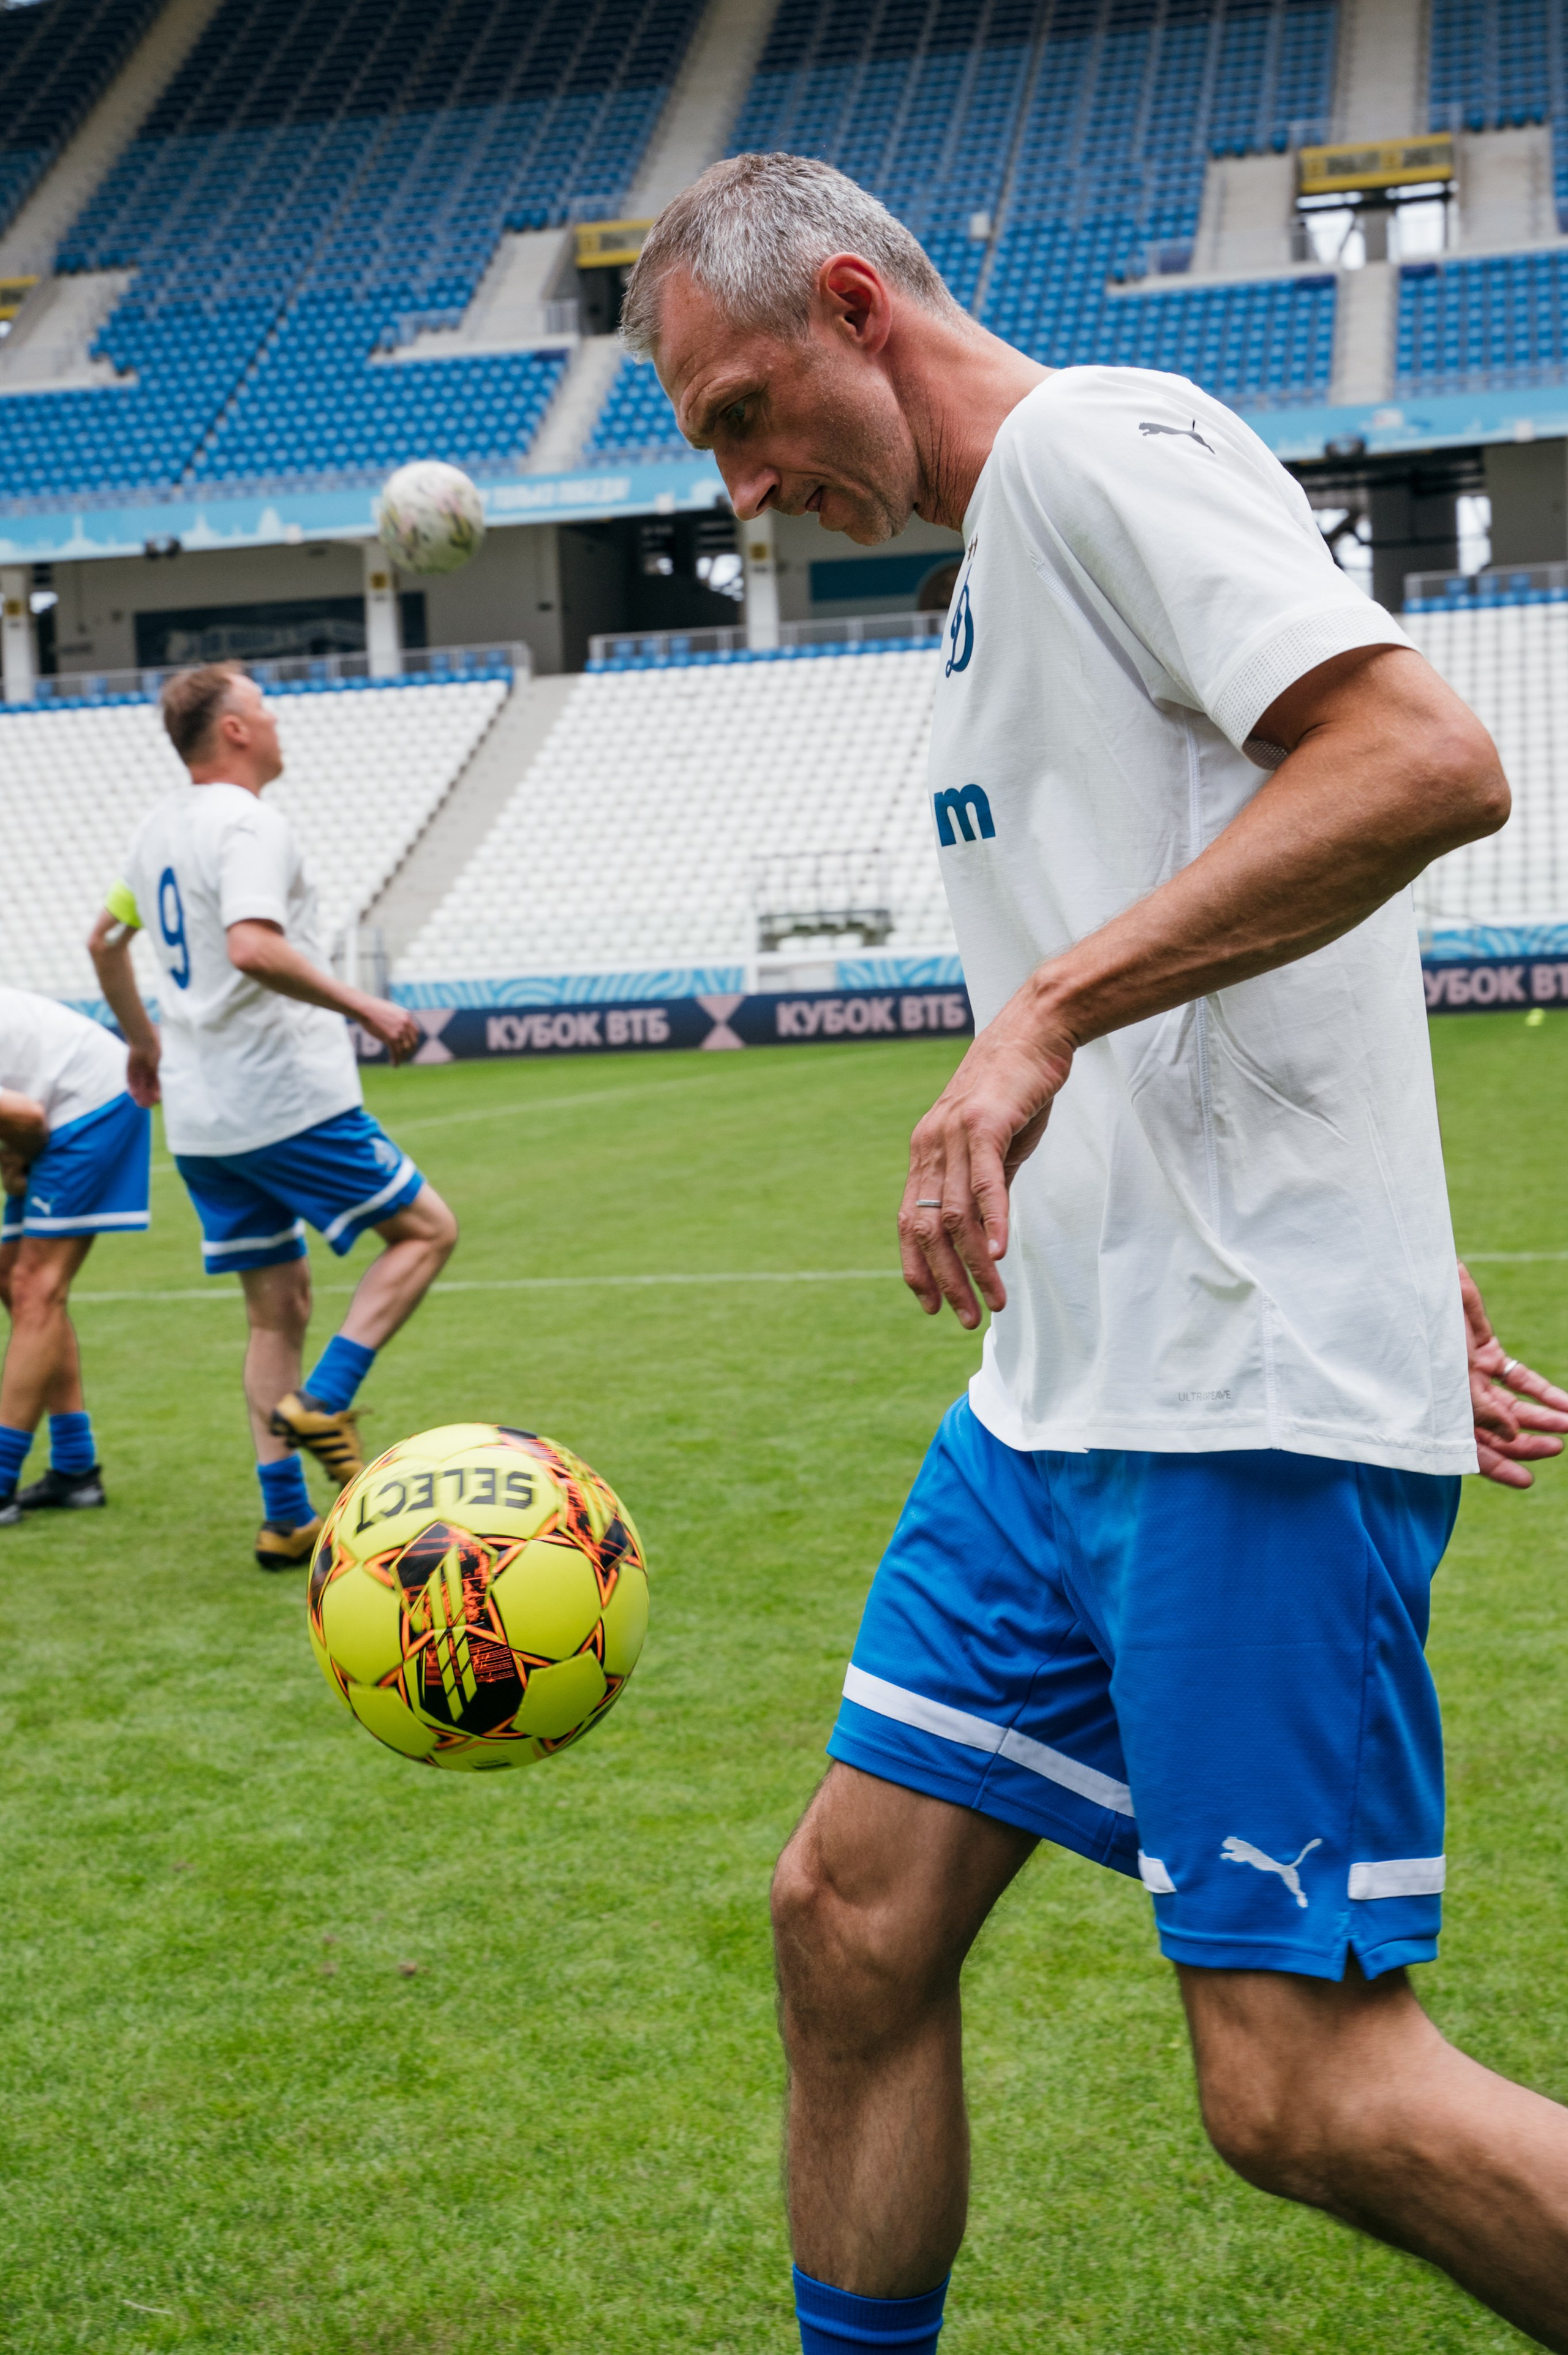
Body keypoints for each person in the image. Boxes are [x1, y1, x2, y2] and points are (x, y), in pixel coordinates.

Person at [622, 152, 1568, 2354]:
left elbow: (1419, 759)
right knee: (844, 1922)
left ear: (853, 307)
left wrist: (1040, 1015)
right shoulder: (994, 575)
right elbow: (1252, 905)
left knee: (1301, 2090)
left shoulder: (1091, 448)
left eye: (740, 417)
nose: (741, 494)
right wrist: (1390, 1240)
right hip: (1057, 1402)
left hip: (1228, 1411)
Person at [89, 662, 458, 1570]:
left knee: (274, 1311)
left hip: (204, 1122)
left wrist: (145, 1043)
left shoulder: (156, 830)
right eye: (264, 706)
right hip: (284, 1098)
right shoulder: (249, 823)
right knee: (426, 1231)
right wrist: (363, 1004)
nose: (277, 719)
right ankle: (324, 1399)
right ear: (236, 730)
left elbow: (103, 941)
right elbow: (252, 947)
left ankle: (287, 1519)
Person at [0, 986, 153, 1524]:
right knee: (12, 1279)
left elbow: (23, 1117)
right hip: (54, 1099)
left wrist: (18, 1159)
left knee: (35, 1287)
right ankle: (75, 1469)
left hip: (91, 1097)